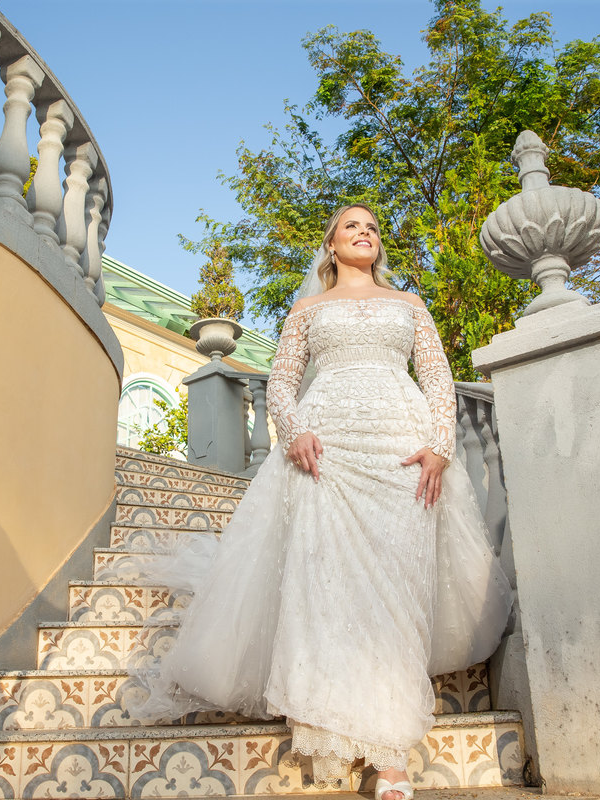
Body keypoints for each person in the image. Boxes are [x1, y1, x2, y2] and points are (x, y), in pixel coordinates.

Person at [131, 204, 514, 800]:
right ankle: (329, 721)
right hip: (325, 449)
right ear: (331, 246)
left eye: (373, 227)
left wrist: (441, 444)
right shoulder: (307, 309)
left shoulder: (410, 305)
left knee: (398, 585)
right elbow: (282, 382)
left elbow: (438, 379)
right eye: (352, 226)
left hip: (400, 449)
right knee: (324, 582)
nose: (365, 232)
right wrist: (294, 429)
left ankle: (390, 753)